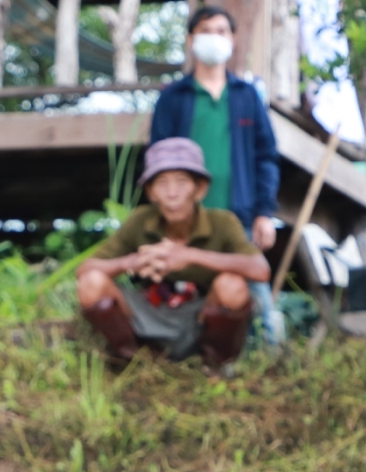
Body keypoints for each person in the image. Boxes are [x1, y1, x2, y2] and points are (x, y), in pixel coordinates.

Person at [76, 137, 269, 372]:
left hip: (198, 315)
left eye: (182, 182)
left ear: (200, 189)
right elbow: (84, 270)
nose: (172, 193)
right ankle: (133, 361)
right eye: (162, 183)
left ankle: (213, 364)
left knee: (232, 285)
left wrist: (189, 255)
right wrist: (131, 262)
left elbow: (260, 270)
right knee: (91, 283)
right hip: (150, 310)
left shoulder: (223, 222)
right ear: (151, 192)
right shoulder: (140, 220)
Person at [148, 5, 282, 335]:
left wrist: (265, 212)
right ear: (191, 39)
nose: (214, 38)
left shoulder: (246, 96)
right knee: (179, 298)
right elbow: (157, 160)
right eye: (206, 31)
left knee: (256, 295)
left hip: (240, 219)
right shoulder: (173, 98)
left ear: (233, 39)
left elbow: (266, 157)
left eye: (221, 31)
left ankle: (273, 357)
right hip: (185, 222)